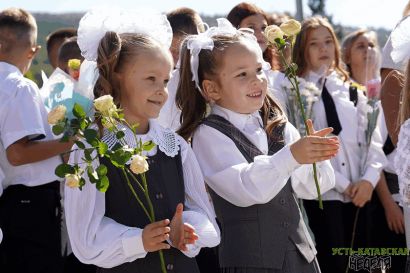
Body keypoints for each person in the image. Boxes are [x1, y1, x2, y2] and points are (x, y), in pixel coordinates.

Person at [176, 18, 338, 273]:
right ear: (211, 89)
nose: (257, 80)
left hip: (301, 256)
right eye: (242, 74)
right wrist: (292, 156)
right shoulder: (208, 134)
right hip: (251, 261)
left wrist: (316, 157)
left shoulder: (278, 123)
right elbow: (247, 189)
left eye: (259, 70)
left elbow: (310, 188)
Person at [64, 9, 220, 273]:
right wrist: (138, 241)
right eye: (150, 79)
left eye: (166, 81)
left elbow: (205, 216)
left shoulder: (175, 146)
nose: (162, 91)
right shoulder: (91, 147)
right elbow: (85, 237)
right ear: (116, 77)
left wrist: (188, 230)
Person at [291, 16, 387, 273]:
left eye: (327, 42)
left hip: (362, 195)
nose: (323, 49)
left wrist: (368, 180)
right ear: (302, 49)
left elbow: (373, 140)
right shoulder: (297, 92)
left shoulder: (351, 89)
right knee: (335, 264)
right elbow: (305, 141)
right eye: (314, 44)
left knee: (366, 265)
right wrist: (343, 184)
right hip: (328, 196)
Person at [0, 8, 75, 273]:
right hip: (31, 202)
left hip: (10, 200)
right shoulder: (19, 85)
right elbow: (18, 153)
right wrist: (70, 140)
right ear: (32, 51)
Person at [342, 28, 407, 273]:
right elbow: (375, 150)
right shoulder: (344, 93)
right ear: (346, 55)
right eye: (361, 46)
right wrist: (389, 204)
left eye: (372, 45)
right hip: (371, 193)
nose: (369, 50)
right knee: (377, 262)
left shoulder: (390, 88)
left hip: (397, 193)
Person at [158, 7, 204, 130]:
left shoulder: (204, 78)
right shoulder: (164, 83)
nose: (178, 58)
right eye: (173, 51)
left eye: (184, 52)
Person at [227, 2, 280, 71]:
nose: (261, 33)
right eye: (251, 27)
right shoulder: (226, 74)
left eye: (264, 28)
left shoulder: (278, 77)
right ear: (234, 30)